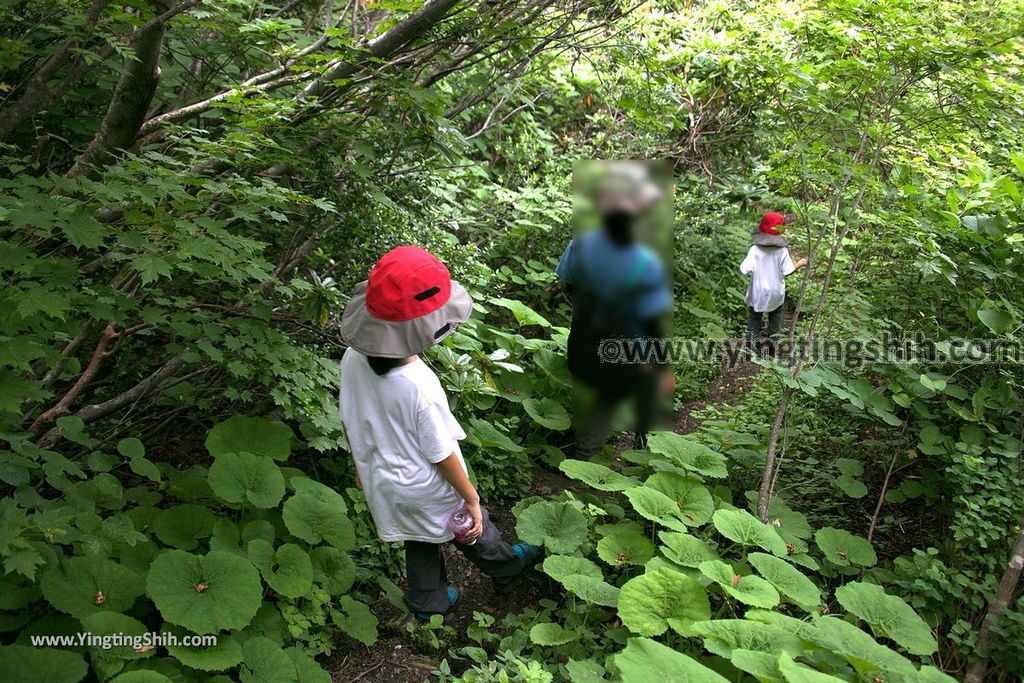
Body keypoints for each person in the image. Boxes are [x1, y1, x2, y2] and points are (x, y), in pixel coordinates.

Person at [338, 246, 540, 622]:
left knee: (418, 539)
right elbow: (440, 453)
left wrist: (359, 467)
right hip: (425, 484)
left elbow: (352, 417)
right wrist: (472, 497)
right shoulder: (418, 385)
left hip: (383, 476)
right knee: (469, 527)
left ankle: (430, 603)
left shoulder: (352, 357)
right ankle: (508, 568)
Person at [556, 162, 674, 458]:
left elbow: (567, 284)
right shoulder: (645, 261)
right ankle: (633, 444)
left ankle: (589, 452)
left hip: (583, 341)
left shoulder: (579, 245)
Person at [740, 211, 808, 356]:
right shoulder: (782, 251)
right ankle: (772, 350)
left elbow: (744, 269)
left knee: (754, 320)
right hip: (776, 293)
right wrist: (801, 263)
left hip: (757, 292)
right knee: (775, 321)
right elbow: (788, 271)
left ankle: (750, 350)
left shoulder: (754, 250)